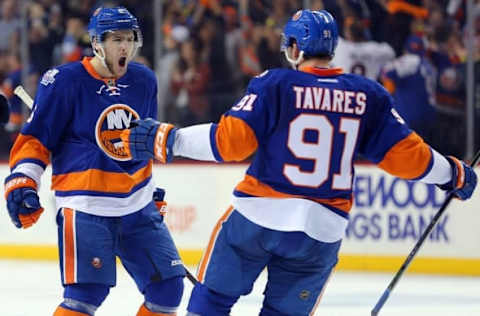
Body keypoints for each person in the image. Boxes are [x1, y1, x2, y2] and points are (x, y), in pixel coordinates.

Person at [121, 9, 477, 316]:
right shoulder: (367, 95)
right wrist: (453, 173)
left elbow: (229, 143)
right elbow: (407, 157)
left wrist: (168, 138)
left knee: (209, 302)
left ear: (293, 47)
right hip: (321, 232)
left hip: (257, 220)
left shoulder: (275, 84)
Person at [4, 7, 185, 316]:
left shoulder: (143, 80)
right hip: (86, 207)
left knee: (167, 289)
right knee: (85, 296)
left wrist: (149, 190)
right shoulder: (63, 81)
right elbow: (36, 140)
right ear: (97, 43)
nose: (125, 47)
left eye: (129, 39)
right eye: (116, 40)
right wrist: (24, 180)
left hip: (136, 206)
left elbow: (141, 142)